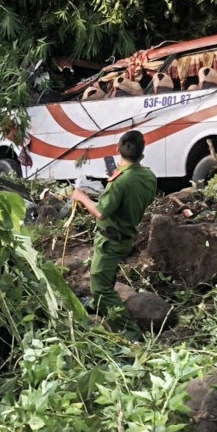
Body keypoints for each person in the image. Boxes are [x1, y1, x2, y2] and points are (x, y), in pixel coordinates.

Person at [71, 130, 157, 341]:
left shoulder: (120, 182)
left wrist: (81, 197)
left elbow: (101, 211)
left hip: (111, 239)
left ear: (118, 149)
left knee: (99, 287)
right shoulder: (148, 176)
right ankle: (97, 307)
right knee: (106, 276)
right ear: (142, 153)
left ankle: (131, 333)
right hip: (126, 235)